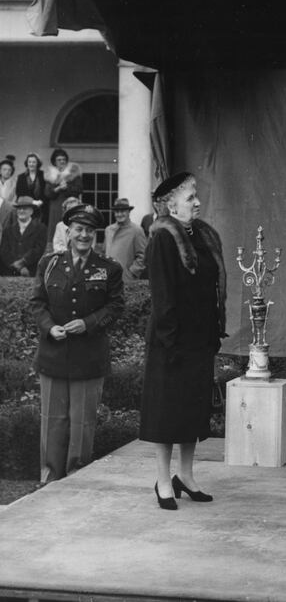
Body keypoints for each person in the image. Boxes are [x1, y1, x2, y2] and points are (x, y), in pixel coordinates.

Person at [138, 173, 227, 510]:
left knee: (191, 410)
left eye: (196, 196)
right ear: (171, 203)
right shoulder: (163, 237)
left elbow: (211, 287)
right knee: (166, 414)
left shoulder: (202, 235)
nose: (197, 202)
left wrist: (213, 331)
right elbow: (163, 295)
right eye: (190, 197)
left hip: (199, 339)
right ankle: (163, 480)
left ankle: (185, 477)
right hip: (170, 340)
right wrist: (170, 340)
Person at [30, 203, 124, 482]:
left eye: (90, 231)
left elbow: (116, 306)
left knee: (82, 425)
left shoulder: (108, 269)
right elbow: (37, 303)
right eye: (79, 229)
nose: (84, 235)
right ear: (68, 231)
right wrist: (49, 327)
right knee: (52, 422)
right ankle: (49, 480)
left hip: (89, 358)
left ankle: (75, 480)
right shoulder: (49, 264)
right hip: (53, 355)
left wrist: (88, 323)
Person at [0, 196, 47, 276]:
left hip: (31, 271)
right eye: (19, 209)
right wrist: (18, 266)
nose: (21, 211)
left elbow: (39, 249)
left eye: (25, 208)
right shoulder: (8, 230)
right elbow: (4, 251)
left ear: (31, 211)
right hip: (9, 272)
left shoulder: (41, 228)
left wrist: (23, 261)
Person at [44, 148, 82, 245]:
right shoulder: (50, 176)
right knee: (56, 228)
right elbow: (47, 193)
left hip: (71, 205)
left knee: (71, 226)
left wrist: (67, 187)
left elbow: (79, 189)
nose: (62, 162)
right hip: (55, 207)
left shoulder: (73, 174)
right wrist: (58, 189)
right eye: (59, 160)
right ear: (54, 162)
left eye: (64, 159)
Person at [104, 198, 147, 281]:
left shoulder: (136, 230)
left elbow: (143, 256)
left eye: (122, 211)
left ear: (128, 212)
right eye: (117, 212)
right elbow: (104, 252)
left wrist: (131, 272)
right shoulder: (108, 230)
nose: (119, 214)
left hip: (126, 279)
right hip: (108, 278)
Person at [16, 153, 47, 224]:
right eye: (29, 162)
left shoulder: (43, 175)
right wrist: (32, 202)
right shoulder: (21, 177)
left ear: (38, 163)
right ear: (26, 163)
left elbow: (46, 191)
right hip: (26, 207)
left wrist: (41, 202)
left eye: (34, 162)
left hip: (41, 207)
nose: (31, 164)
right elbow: (19, 193)